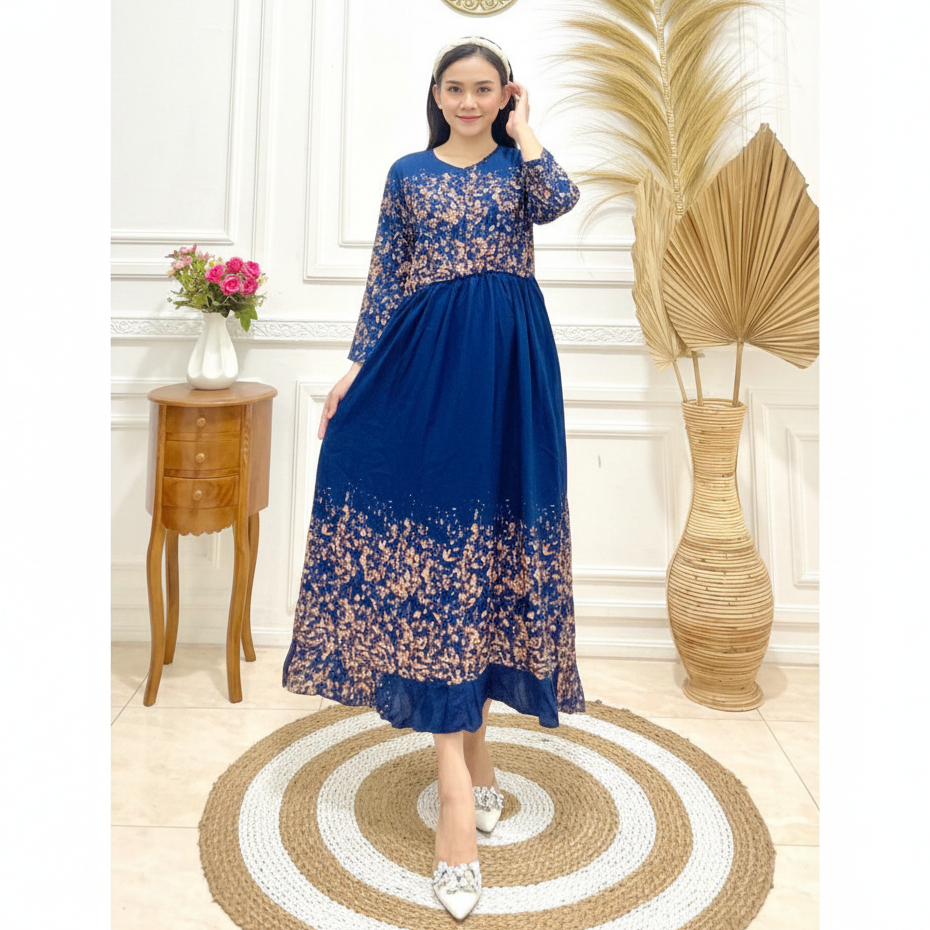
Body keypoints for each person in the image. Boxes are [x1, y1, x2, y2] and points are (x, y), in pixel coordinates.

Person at [282, 35, 585, 920]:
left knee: (489, 547)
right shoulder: (408, 174)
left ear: (504, 95)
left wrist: (528, 130)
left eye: (484, 89)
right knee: (442, 553)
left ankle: (473, 755)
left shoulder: (520, 169)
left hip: (510, 367)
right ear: (436, 93)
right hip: (425, 365)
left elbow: (560, 201)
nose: (468, 101)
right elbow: (386, 278)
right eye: (455, 87)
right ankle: (460, 791)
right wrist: (354, 368)